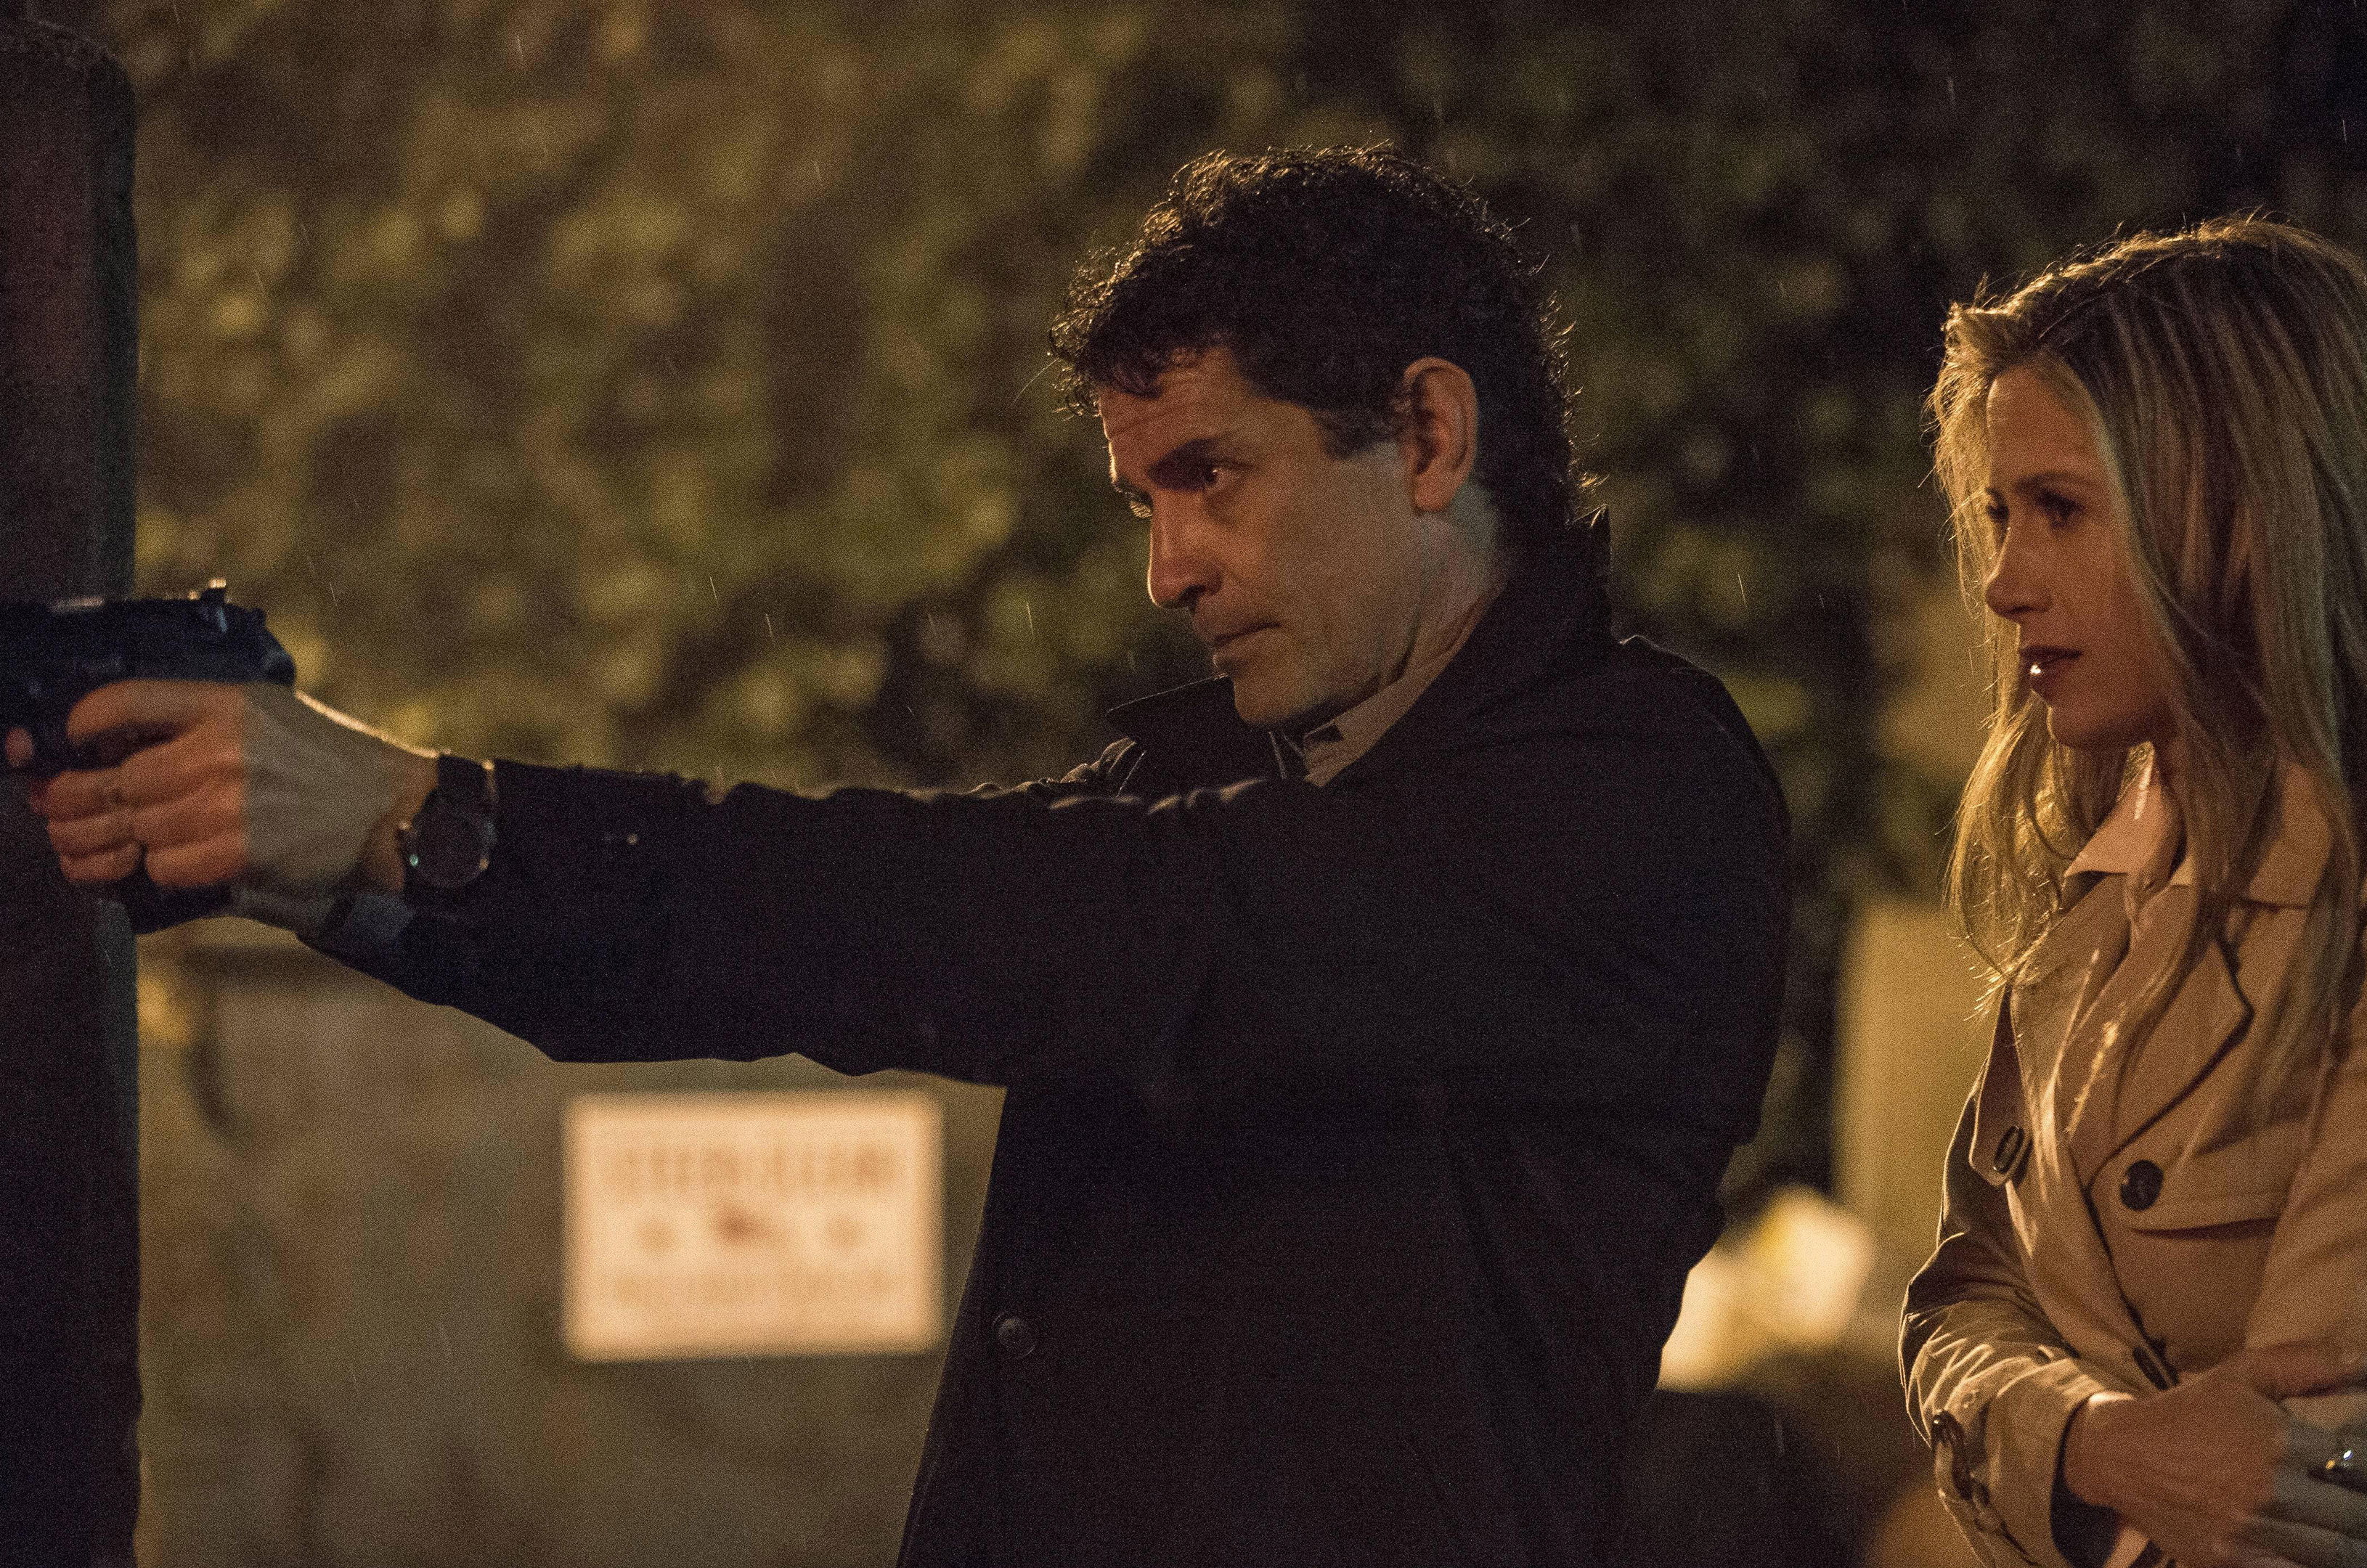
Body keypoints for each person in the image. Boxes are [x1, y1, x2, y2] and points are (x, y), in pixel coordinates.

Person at [11, 148, 1789, 1567]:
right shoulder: (1206, 777)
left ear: (1429, 436)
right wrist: (337, 864)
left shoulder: (1632, 798)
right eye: (1145, 502)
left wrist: (431, 815)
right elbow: (785, 950)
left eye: (1213, 477)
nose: (1167, 569)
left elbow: (1045, 928)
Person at [1903, 216, 2367, 1568]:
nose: (2004, 582)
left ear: (2248, 515)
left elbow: (2311, 1487)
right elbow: (1961, 1303)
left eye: (2061, 510)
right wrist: (2098, 1448)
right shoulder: (2109, 886)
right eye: (1999, 515)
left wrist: (2075, 1455)